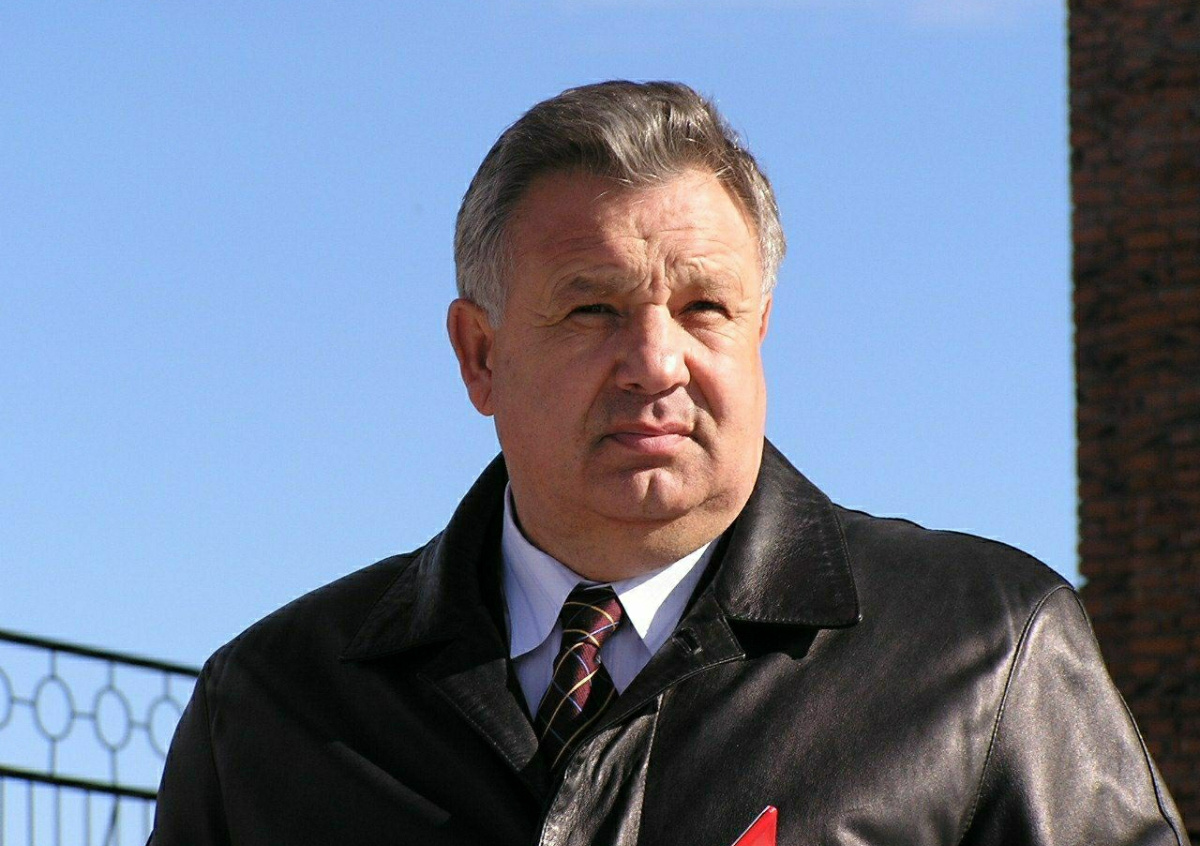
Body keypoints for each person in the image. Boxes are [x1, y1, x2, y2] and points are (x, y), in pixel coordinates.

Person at [150, 81, 1189, 846]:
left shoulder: (984, 650)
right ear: (481, 355)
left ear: (759, 329)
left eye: (704, 307)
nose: (656, 362)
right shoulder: (275, 705)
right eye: (592, 309)